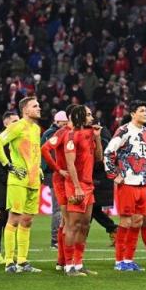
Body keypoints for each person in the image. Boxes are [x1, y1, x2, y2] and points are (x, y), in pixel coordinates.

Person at [104, 100, 146, 272]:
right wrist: (114, 174)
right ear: (133, 113)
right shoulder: (124, 130)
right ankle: (119, 261)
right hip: (127, 183)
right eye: (142, 111)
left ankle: (129, 259)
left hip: (143, 183)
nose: (145, 113)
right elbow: (109, 152)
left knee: (138, 221)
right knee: (126, 221)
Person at [0, 96, 43, 273]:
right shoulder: (17, 126)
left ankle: (22, 261)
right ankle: (9, 262)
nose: (39, 108)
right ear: (25, 110)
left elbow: (35, 151)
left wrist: (39, 169)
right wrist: (8, 165)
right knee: (14, 218)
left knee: (27, 221)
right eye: (35, 106)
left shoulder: (36, 129)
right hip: (18, 180)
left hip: (34, 180)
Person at [62, 105, 102, 276]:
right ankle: (68, 265)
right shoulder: (72, 136)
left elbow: (99, 158)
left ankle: (78, 263)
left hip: (88, 185)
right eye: (88, 114)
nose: (91, 117)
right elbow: (70, 163)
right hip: (75, 185)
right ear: (80, 117)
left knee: (85, 224)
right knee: (73, 225)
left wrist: (98, 138)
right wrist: (77, 186)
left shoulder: (90, 134)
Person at [40, 106, 73, 270]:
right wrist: (56, 169)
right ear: (57, 121)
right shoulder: (55, 133)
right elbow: (45, 150)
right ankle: (56, 243)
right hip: (58, 175)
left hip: (57, 174)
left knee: (62, 213)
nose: (65, 124)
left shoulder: (56, 132)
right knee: (60, 211)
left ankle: (61, 257)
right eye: (63, 122)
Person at [0, 110, 19, 264]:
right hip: (3, 185)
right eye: (14, 121)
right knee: (0, 219)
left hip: (16, 185)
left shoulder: (18, 139)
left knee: (15, 219)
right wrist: (8, 179)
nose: (17, 124)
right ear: (5, 123)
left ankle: (11, 252)